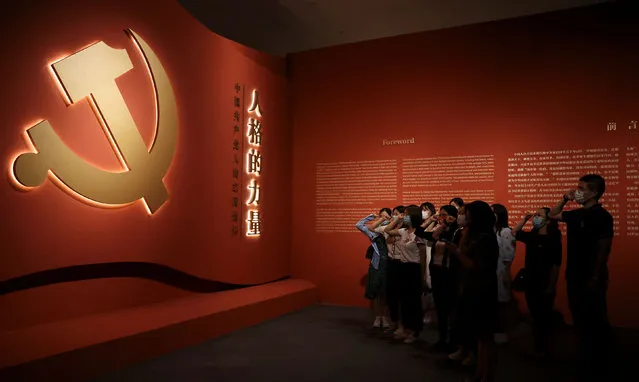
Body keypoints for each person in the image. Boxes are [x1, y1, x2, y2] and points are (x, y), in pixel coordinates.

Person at [549, 174, 613, 380]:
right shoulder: (576, 214)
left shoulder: (602, 216)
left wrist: (596, 275)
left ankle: (600, 362)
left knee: (595, 318)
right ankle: (586, 358)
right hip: (574, 274)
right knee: (579, 317)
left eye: (581, 188)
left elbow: (604, 248)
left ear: (594, 192)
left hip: (591, 276)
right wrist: (565, 198)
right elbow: (552, 215)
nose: (577, 191)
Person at [444, 201, 499, 382]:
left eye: (467, 214)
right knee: (479, 334)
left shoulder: (485, 238)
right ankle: (480, 372)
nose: (464, 218)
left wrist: (456, 252)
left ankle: (486, 374)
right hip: (473, 287)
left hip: (482, 289)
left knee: (485, 336)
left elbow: (476, 266)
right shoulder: (475, 235)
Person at [513, 207, 562, 357]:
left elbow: (556, 264)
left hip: (544, 280)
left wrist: (551, 285)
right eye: (535, 215)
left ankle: (544, 348)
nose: (536, 217)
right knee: (535, 314)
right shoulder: (533, 235)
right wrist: (524, 219)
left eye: (539, 215)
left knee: (543, 316)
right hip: (531, 279)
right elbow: (515, 233)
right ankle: (538, 347)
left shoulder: (553, 238)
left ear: (548, 220)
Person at [385, 205, 426, 343]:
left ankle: (414, 331)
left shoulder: (419, 232)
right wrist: (397, 219)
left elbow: (423, 256)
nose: (404, 216)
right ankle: (405, 328)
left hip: (413, 269)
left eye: (407, 214)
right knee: (403, 301)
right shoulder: (403, 231)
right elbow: (387, 230)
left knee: (413, 302)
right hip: (402, 268)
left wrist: (423, 275)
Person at [355, 208, 392, 329]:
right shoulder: (374, 233)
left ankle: (385, 317)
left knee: (385, 293)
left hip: (390, 265)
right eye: (382, 217)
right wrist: (373, 217)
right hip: (376, 264)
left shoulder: (392, 231)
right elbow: (359, 225)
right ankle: (377, 317)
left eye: (386, 217)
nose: (384, 220)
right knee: (376, 293)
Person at [491, 204, 516, 343]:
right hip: (491, 271)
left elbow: (508, 255)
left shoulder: (505, 231)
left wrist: (506, 274)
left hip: (500, 271)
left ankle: (503, 332)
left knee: (501, 303)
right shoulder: (491, 231)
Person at [385, 205, 406, 334]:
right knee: (391, 295)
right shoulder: (391, 227)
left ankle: (402, 325)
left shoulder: (406, 229)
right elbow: (386, 230)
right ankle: (394, 322)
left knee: (401, 296)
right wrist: (395, 221)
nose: (395, 216)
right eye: (393, 214)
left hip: (402, 262)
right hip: (391, 262)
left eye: (397, 213)